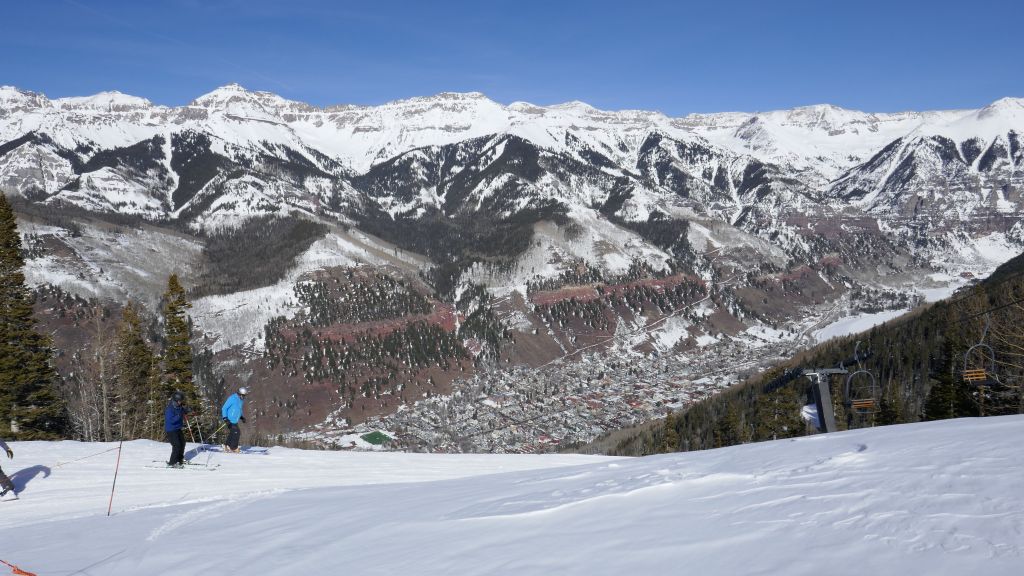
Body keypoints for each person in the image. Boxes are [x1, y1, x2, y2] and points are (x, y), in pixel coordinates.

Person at [164, 391, 189, 467]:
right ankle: (172, 462)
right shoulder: (170, 409)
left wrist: (187, 410)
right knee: (176, 445)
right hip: (171, 430)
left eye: (181, 401)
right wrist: (179, 415)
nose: (180, 402)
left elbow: (183, 411)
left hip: (178, 428)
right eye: (179, 401)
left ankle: (179, 459)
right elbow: (171, 420)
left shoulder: (179, 406)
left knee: (182, 443)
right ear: (175, 400)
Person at [220, 386, 248, 453]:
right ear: (239, 394)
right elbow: (224, 408)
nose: (244, 397)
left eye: (244, 395)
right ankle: (233, 447)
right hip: (229, 419)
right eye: (243, 395)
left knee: (233, 432)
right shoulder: (232, 398)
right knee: (236, 432)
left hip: (235, 420)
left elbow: (239, 409)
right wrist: (225, 418)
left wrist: (241, 417)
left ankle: (226, 445)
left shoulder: (241, 400)